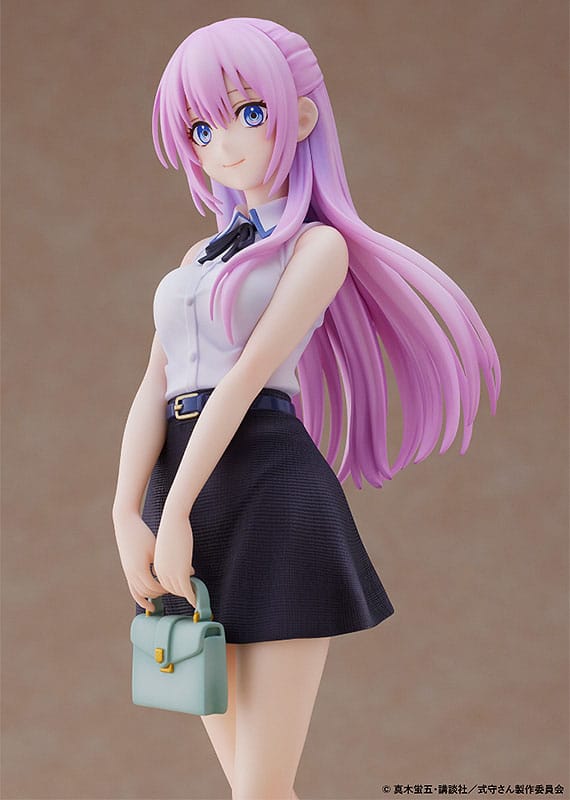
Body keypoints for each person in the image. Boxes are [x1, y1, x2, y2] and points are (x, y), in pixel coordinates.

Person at [112, 17, 501, 800]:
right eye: (200, 128)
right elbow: (154, 385)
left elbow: (246, 378)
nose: (223, 143)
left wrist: (174, 509)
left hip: (268, 494)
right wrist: (126, 510)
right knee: (248, 784)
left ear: (299, 116)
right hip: (185, 491)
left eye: (247, 113)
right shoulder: (197, 259)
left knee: (260, 787)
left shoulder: (318, 248)